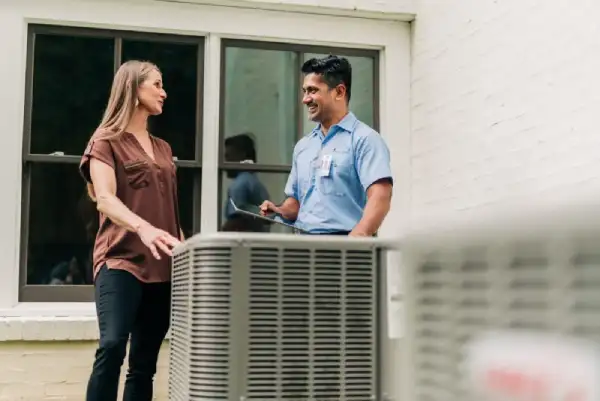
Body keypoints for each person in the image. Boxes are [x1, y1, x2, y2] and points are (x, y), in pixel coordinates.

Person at [79, 60, 183, 401]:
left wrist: (185, 250)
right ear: (134, 89)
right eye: (156, 84)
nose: (163, 92)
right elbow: (105, 199)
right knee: (111, 346)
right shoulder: (105, 140)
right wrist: (143, 228)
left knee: (144, 364)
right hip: (120, 260)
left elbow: (168, 212)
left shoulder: (165, 150)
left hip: (162, 268)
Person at [260, 55, 393, 236]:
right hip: (302, 248)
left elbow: (381, 196)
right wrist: (279, 210)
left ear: (339, 92)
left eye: (313, 91)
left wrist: (357, 240)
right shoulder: (303, 146)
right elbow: (296, 202)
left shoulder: (365, 139)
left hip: (345, 247)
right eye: (304, 91)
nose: (305, 99)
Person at [221, 133, 270, 232]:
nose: (225, 162)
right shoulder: (254, 182)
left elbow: (236, 222)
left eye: (228, 156)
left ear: (242, 155)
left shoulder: (240, 184)